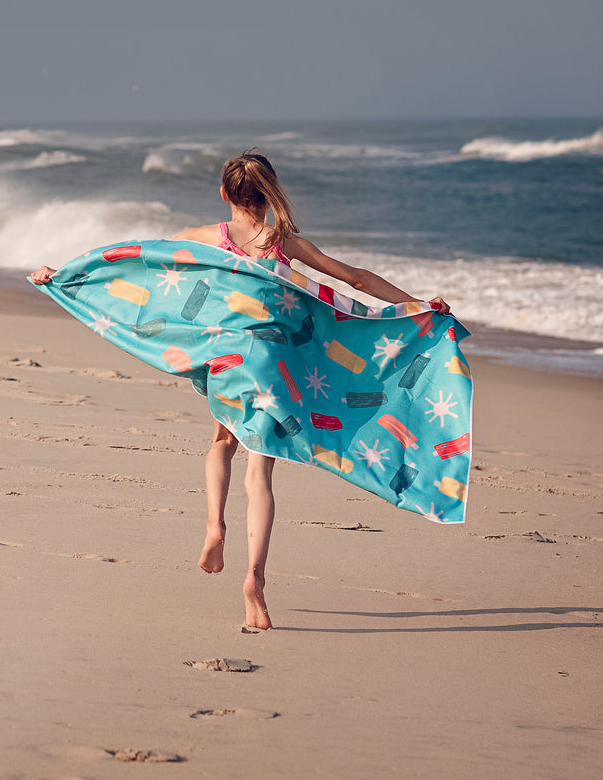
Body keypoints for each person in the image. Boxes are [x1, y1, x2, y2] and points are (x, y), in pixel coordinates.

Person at [30, 149, 450, 630]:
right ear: (268, 194)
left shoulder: (207, 239)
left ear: (225, 193)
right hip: (273, 365)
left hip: (229, 359)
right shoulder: (283, 241)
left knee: (221, 443)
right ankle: (255, 578)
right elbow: (355, 279)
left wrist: (62, 273)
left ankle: (214, 525)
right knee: (262, 475)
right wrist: (416, 304)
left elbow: (136, 261)